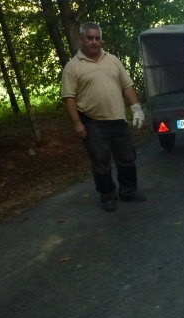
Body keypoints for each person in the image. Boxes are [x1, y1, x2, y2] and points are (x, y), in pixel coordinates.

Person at [61, 22, 146, 212]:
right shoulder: (73, 66)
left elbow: (127, 86)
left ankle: (129, 191)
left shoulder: (113, 60)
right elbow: (69, 97)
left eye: (97, 38)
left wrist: (137, 108)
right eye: (89, 38)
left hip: (118, 119)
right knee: (101, 162)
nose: (93, 42)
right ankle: (107, 196)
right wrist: (77, 123)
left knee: (127, 158)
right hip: (93, 123)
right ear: (82, 40)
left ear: (101, 40)